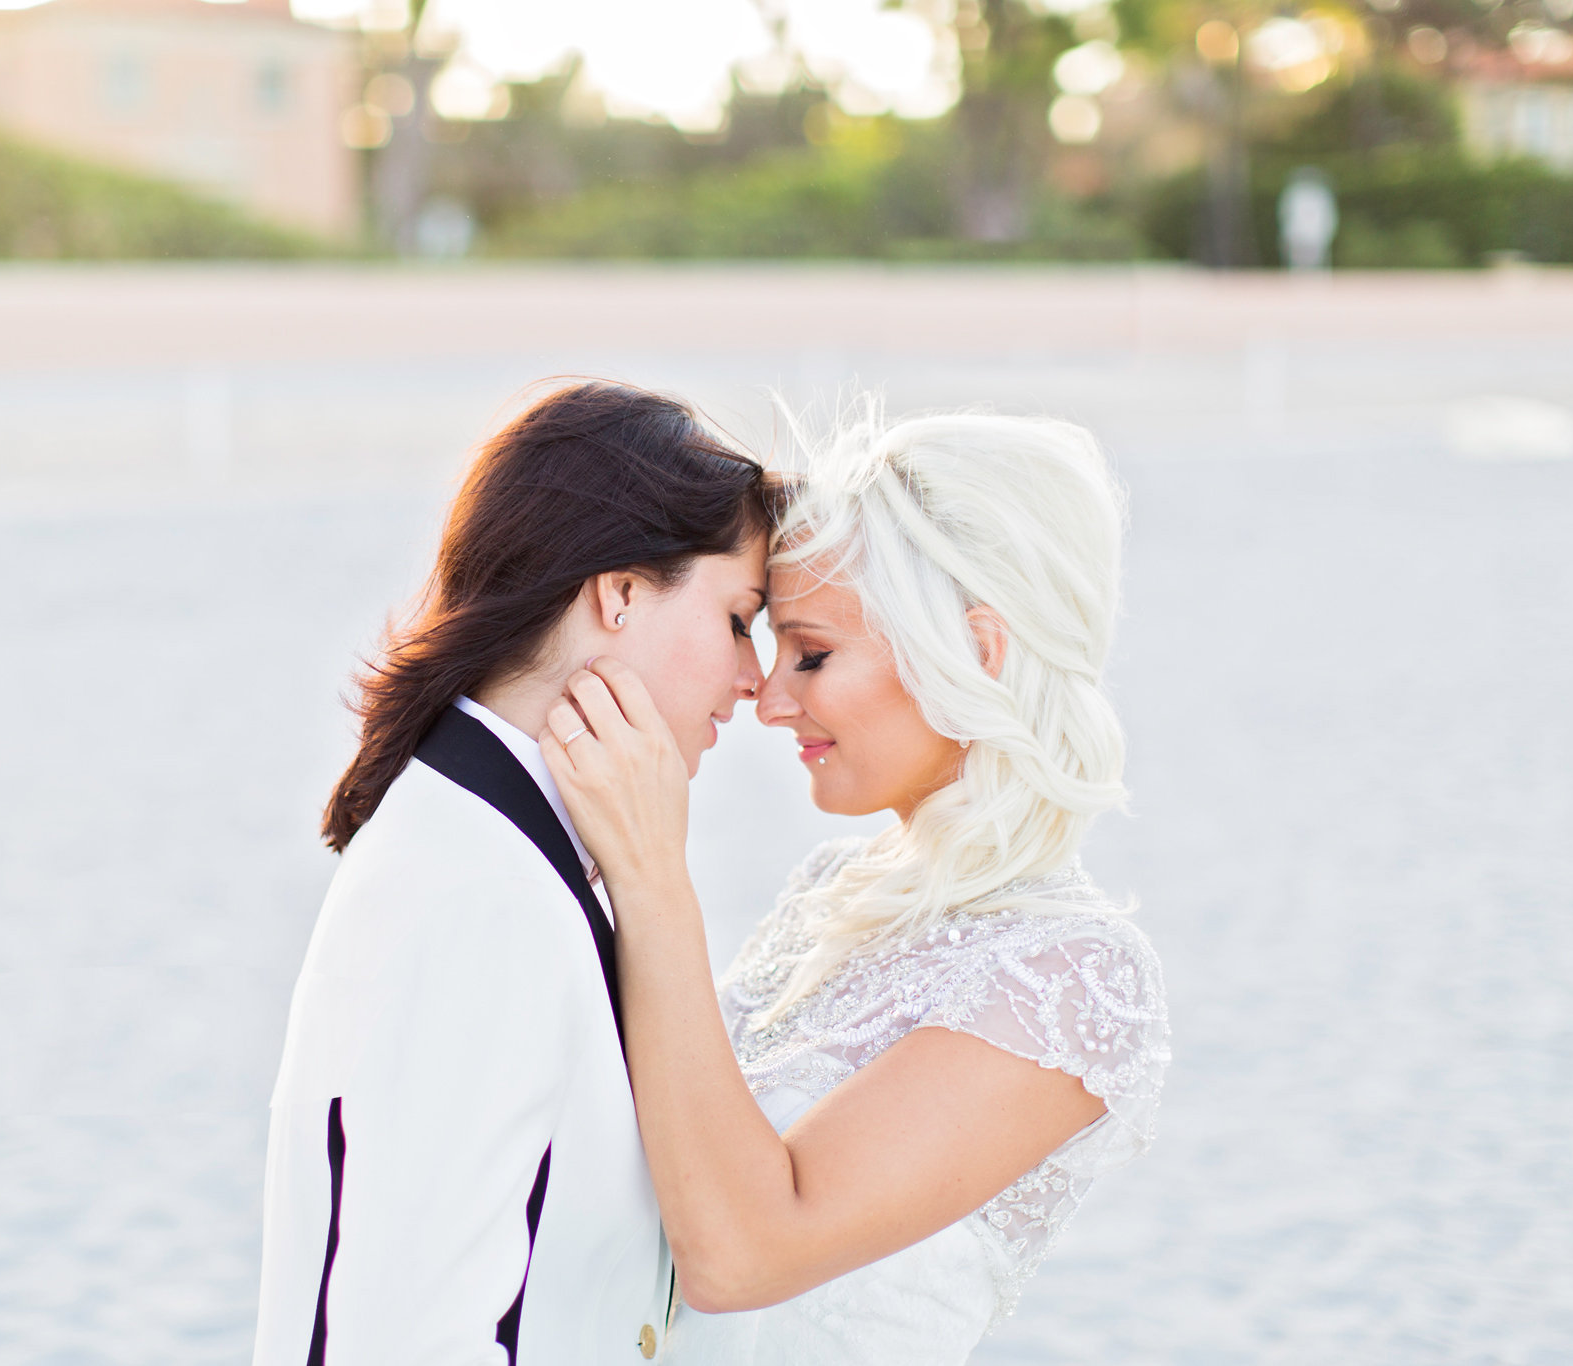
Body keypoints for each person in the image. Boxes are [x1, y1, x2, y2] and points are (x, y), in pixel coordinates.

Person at [542, 409, 1171, 1364]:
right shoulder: (834, 893)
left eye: (814, 654)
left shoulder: (1069, 981)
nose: (769, 697)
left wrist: (652, 877)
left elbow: (743, 1256)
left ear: (977, 653)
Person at [254, 381, 773, 1364]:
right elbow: (402, 1336)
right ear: (617, 593)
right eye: (738, 617)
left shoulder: (498, 846)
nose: (753, 678)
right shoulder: (483, 891)